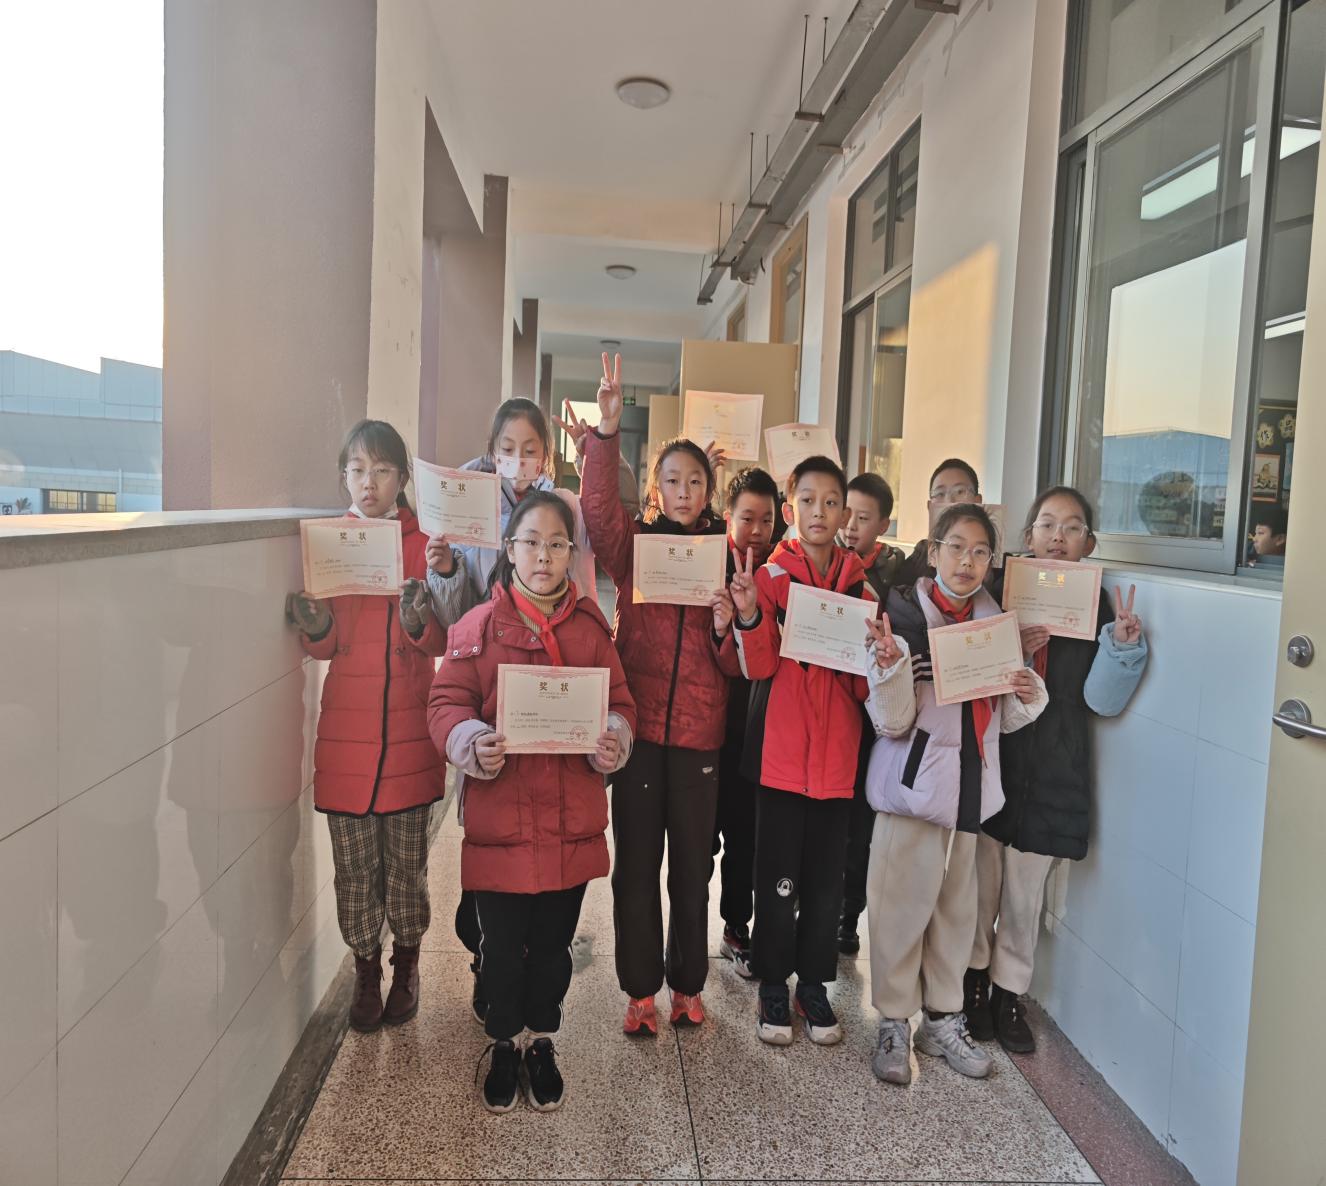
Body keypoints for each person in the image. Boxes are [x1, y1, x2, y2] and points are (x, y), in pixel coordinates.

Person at [428, 491, 635, 1112]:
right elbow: (446, 704)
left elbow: (621, 703)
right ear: (509, 549)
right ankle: (502, 1043)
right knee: (499, 952)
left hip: (571, 827)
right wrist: (470, 741)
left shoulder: (592, 630)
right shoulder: (476, 628)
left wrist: (614, 738)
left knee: (551, 950)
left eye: (556, 544)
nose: (543, 555)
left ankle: (541, 1040)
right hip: (501, 826)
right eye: (531, 542)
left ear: (572, 554)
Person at [579, 352, 740, 1036]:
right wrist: (606, 432)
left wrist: (729, 625)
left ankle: (688, 987)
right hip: (640, 732)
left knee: (691, 874)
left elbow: (735, 662)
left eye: (694, 481)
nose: (683, 491)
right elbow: (597, 513)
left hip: (700, 737)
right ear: (655, 487)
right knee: (637, 869)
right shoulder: (636, 545)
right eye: (671, 480)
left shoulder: (725, 556)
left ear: (708, 489)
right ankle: (641, 991)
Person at [425, 396, 597, 1024]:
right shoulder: (466, 507)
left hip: (552, 740)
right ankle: (492, 968)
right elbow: (456, 641)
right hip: (493, 715)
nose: (517, 461)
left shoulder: (562, 513)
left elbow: (595, 663)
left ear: (546, 455)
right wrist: (446, 569)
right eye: (507, 449)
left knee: (547, 889)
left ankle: (534, 1002)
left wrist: (605, 731)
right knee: (492, 884)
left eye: (529, 450)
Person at [862, 503, 1047, 1085]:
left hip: (969, 793)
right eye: (956, 547)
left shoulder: (996, 627)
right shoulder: (900, 619)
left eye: (980, 551)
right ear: (933, 550)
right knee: (898, 910)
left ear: (991, 561)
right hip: (912, 792)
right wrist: (890, 668)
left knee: (956, 916)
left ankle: (943, 1020)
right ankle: (894, 1022)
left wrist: (1026, 690)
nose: (967, 561)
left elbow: (1002, 722)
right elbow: (891, 723)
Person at [969, 487, 1148, 1053]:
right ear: (1028, 537)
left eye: (1072, 528)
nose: (1058, 537)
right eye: (1047, 525)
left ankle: (1008, 995)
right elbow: (973, 676)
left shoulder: (1097, 607)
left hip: (1055, 772)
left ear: (1088, 544)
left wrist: (1120, 646)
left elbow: (1100, 701)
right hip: (997, 764)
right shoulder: (997, 593)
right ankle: (972, 985)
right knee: (978, 888)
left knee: (1025, 899)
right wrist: (1013, 649)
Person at [287, 420, 447, 1034]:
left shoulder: (425, 545)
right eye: (357, 470)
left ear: (402, 478)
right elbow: (327, 646)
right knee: (354, 870)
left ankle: (406, 964)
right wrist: (315, 623)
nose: (369, 482)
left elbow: (441, 639)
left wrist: (419, 619)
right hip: (346, 740)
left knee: (406, 867)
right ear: (344, 477)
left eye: (381, 470)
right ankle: (365, 970)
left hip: (410, 734)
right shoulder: (331, 543)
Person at [729, 455, 872, 1047]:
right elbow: (759, 666)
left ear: (844, 513)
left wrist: (879, 657)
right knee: (776, 878)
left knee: (824, 885)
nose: (819, 512)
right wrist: (749, 613)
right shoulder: (770, 578)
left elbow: (862, 689)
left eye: (831, 502)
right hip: (782, 760)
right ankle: (772, 982)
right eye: (808, 500)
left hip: (837, 765)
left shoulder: (861, 588)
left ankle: (812, 986)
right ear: (791, 509)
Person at [712, 466, 782, 977]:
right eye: (747, 518)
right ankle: (685, 933)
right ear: (727, 518)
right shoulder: (706, 564)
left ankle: (736, 927)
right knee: (698, 843)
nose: (757, 530)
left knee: (744, 836)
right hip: (706, 725)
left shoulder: (783, 574)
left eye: (767, 519)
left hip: (756, 729)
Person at [838, 472, 907, 955]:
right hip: (830, 709)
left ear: (883, 524)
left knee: (859, 825)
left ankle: (848, 915)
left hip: (870, 719)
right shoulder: (822, 563)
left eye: (863, 518)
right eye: (846, 514)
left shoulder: (896, 578)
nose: (850, 526)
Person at [897, 458, 985, 584]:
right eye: (940, 494)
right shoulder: (917, 562)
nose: (950, 501)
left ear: (978, 501)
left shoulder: (996, 565)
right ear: (930, 507)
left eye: (960, 491)